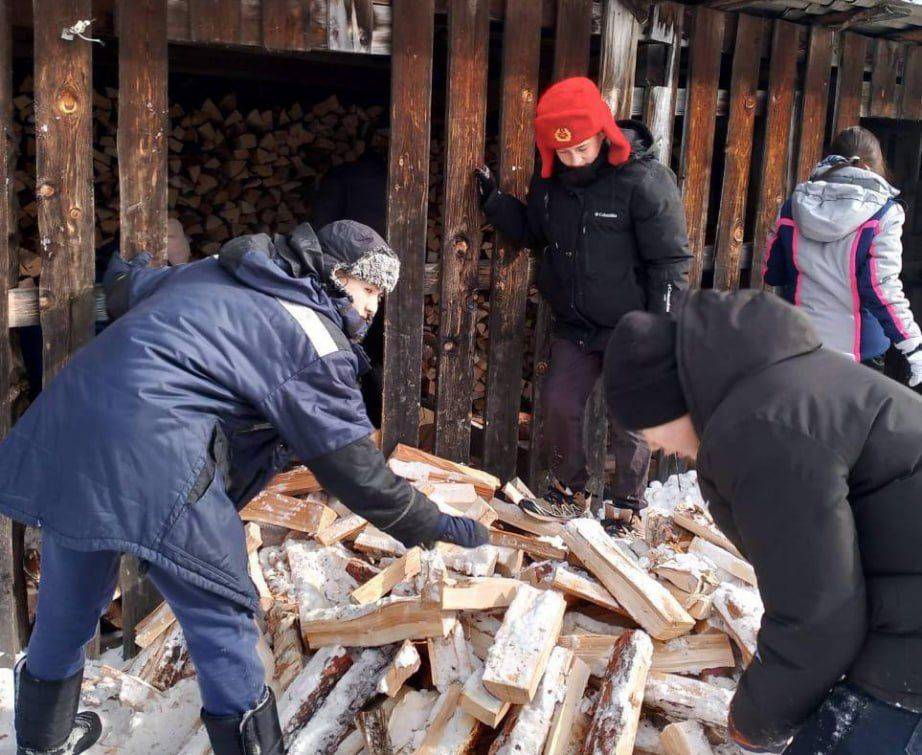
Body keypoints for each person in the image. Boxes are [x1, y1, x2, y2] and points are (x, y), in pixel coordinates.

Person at [0, 219, 488, 755]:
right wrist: (441, 526)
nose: (373, 307)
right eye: (368, 289)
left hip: (69, 432)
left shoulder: (221, 272)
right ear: (335, 273)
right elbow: (357, 473)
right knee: (222, 614)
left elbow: (127, 290)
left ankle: (40, 743)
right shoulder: (312, 336)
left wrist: (128, 269)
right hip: (157, 454)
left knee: (68, 602)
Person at [603, 289, 922, 754]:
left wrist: (755, 719)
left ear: (667, 403)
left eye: (645, 430)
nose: (655, 449)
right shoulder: (786, 386)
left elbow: (819, 613)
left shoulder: (762, 428)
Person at [474, 76, 691, 520]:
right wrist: (496, 203)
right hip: (576, 323)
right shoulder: (552, 185)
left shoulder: (644, 181)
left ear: (602, 135)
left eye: (582, 148)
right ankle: (571, 491)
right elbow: (536, 234)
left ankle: (627, 507)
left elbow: (670, 260)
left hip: (630, 323)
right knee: (558, 402)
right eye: (563, 152)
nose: (573, 159)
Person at [763, 126, 922, 386]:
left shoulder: (792, 207)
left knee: (806, 426)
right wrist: (913, 347)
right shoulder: (884, 214)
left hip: (802, 347)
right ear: (874, 166)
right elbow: (881, 289)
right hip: (862, 355)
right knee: (853, 427)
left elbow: (772, 272)